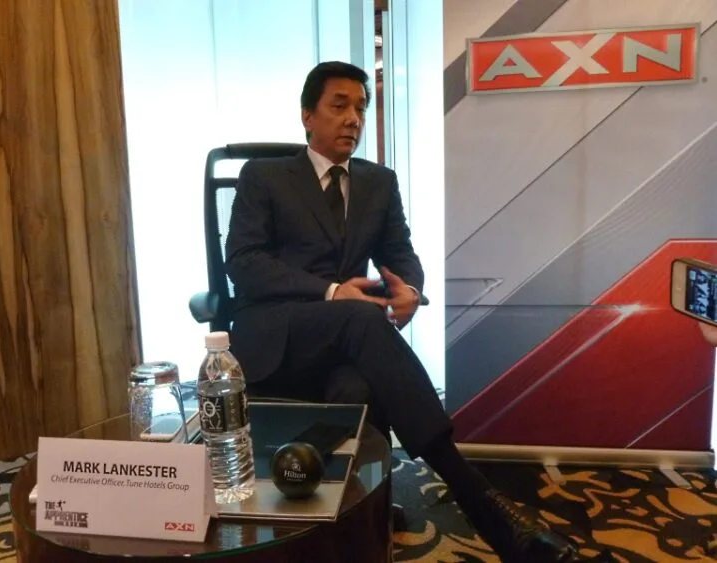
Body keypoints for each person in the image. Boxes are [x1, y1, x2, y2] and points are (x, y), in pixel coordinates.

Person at [225, 61, 584, 562]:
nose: (353, 118)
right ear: (307, 116)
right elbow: (244, 263)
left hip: (346, 342)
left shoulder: (378, 182)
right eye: (339, 105)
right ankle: (481, 501)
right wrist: (331, 291)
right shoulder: (264, 177)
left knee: (356, 387)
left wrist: (410, 289)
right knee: (362, 319)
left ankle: (358, 515)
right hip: (277, 334)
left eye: (360, 108)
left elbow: (400, 253)